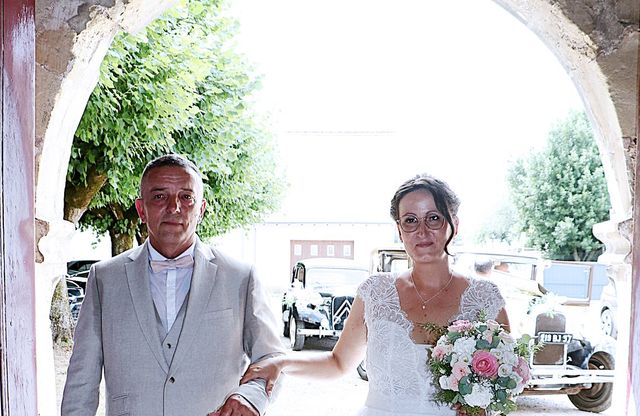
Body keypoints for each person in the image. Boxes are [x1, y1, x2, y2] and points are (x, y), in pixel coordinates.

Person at [241, 174, 510, 415]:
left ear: (454, 224)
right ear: (399, 230)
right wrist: (282, 362)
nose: (422, 231)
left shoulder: (485, 298)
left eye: (434, 218)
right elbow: (337, 363)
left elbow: (506, 378)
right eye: (410, 221)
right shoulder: (376, 292)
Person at [61, 154, 284, 416]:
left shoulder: (240, 278)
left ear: (200, 209)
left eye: (186, 197)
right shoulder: (104, 279)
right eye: (159, 196)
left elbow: (272, 359)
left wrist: (251, 398)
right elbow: (81, 380)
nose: (174, 207)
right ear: (142, 209)